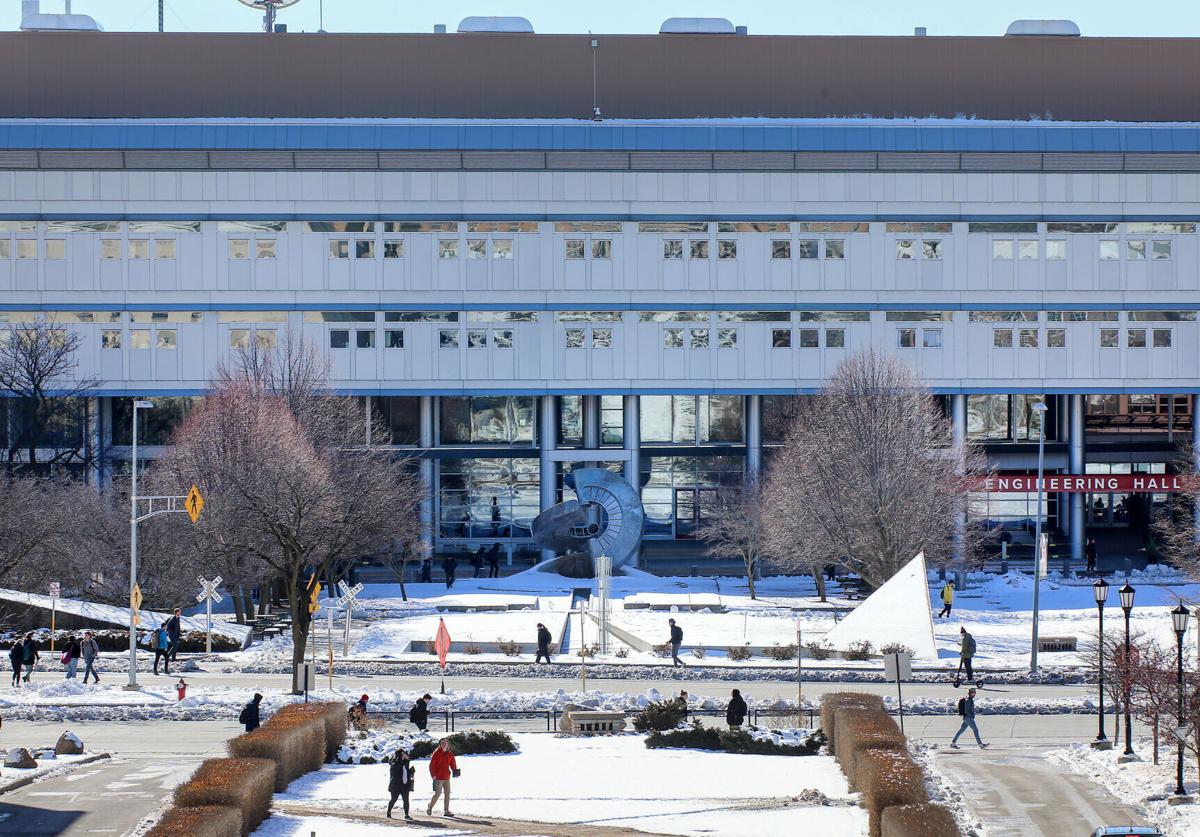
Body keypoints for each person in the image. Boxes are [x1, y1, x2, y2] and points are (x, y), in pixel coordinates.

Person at [426, 738, 459, 818]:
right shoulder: (436, 753)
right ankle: (430, 807)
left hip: (447, 777)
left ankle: (446, 811)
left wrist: (455, 770)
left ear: (447, 744)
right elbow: (432, 765)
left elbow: (453, 763)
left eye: (445, 743)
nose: (444, 744)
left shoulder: (450, 754)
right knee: (438, 794)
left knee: (447, 794)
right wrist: (433, 775)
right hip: (438, 777)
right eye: (442, 743)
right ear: (440, 744)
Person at [387, 748, 415, 820]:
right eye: (402, 754)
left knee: (406, 800)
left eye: (404, 754)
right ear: (398, 755)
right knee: (394, 799)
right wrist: (400, 762)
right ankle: (389, 811)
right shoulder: (394, 763)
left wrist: (411, 771)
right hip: (395, 785)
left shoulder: (406, 762)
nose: (404, 755)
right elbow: (396, 771)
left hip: (404, 784)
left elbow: (405, 773)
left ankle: (406, 815)